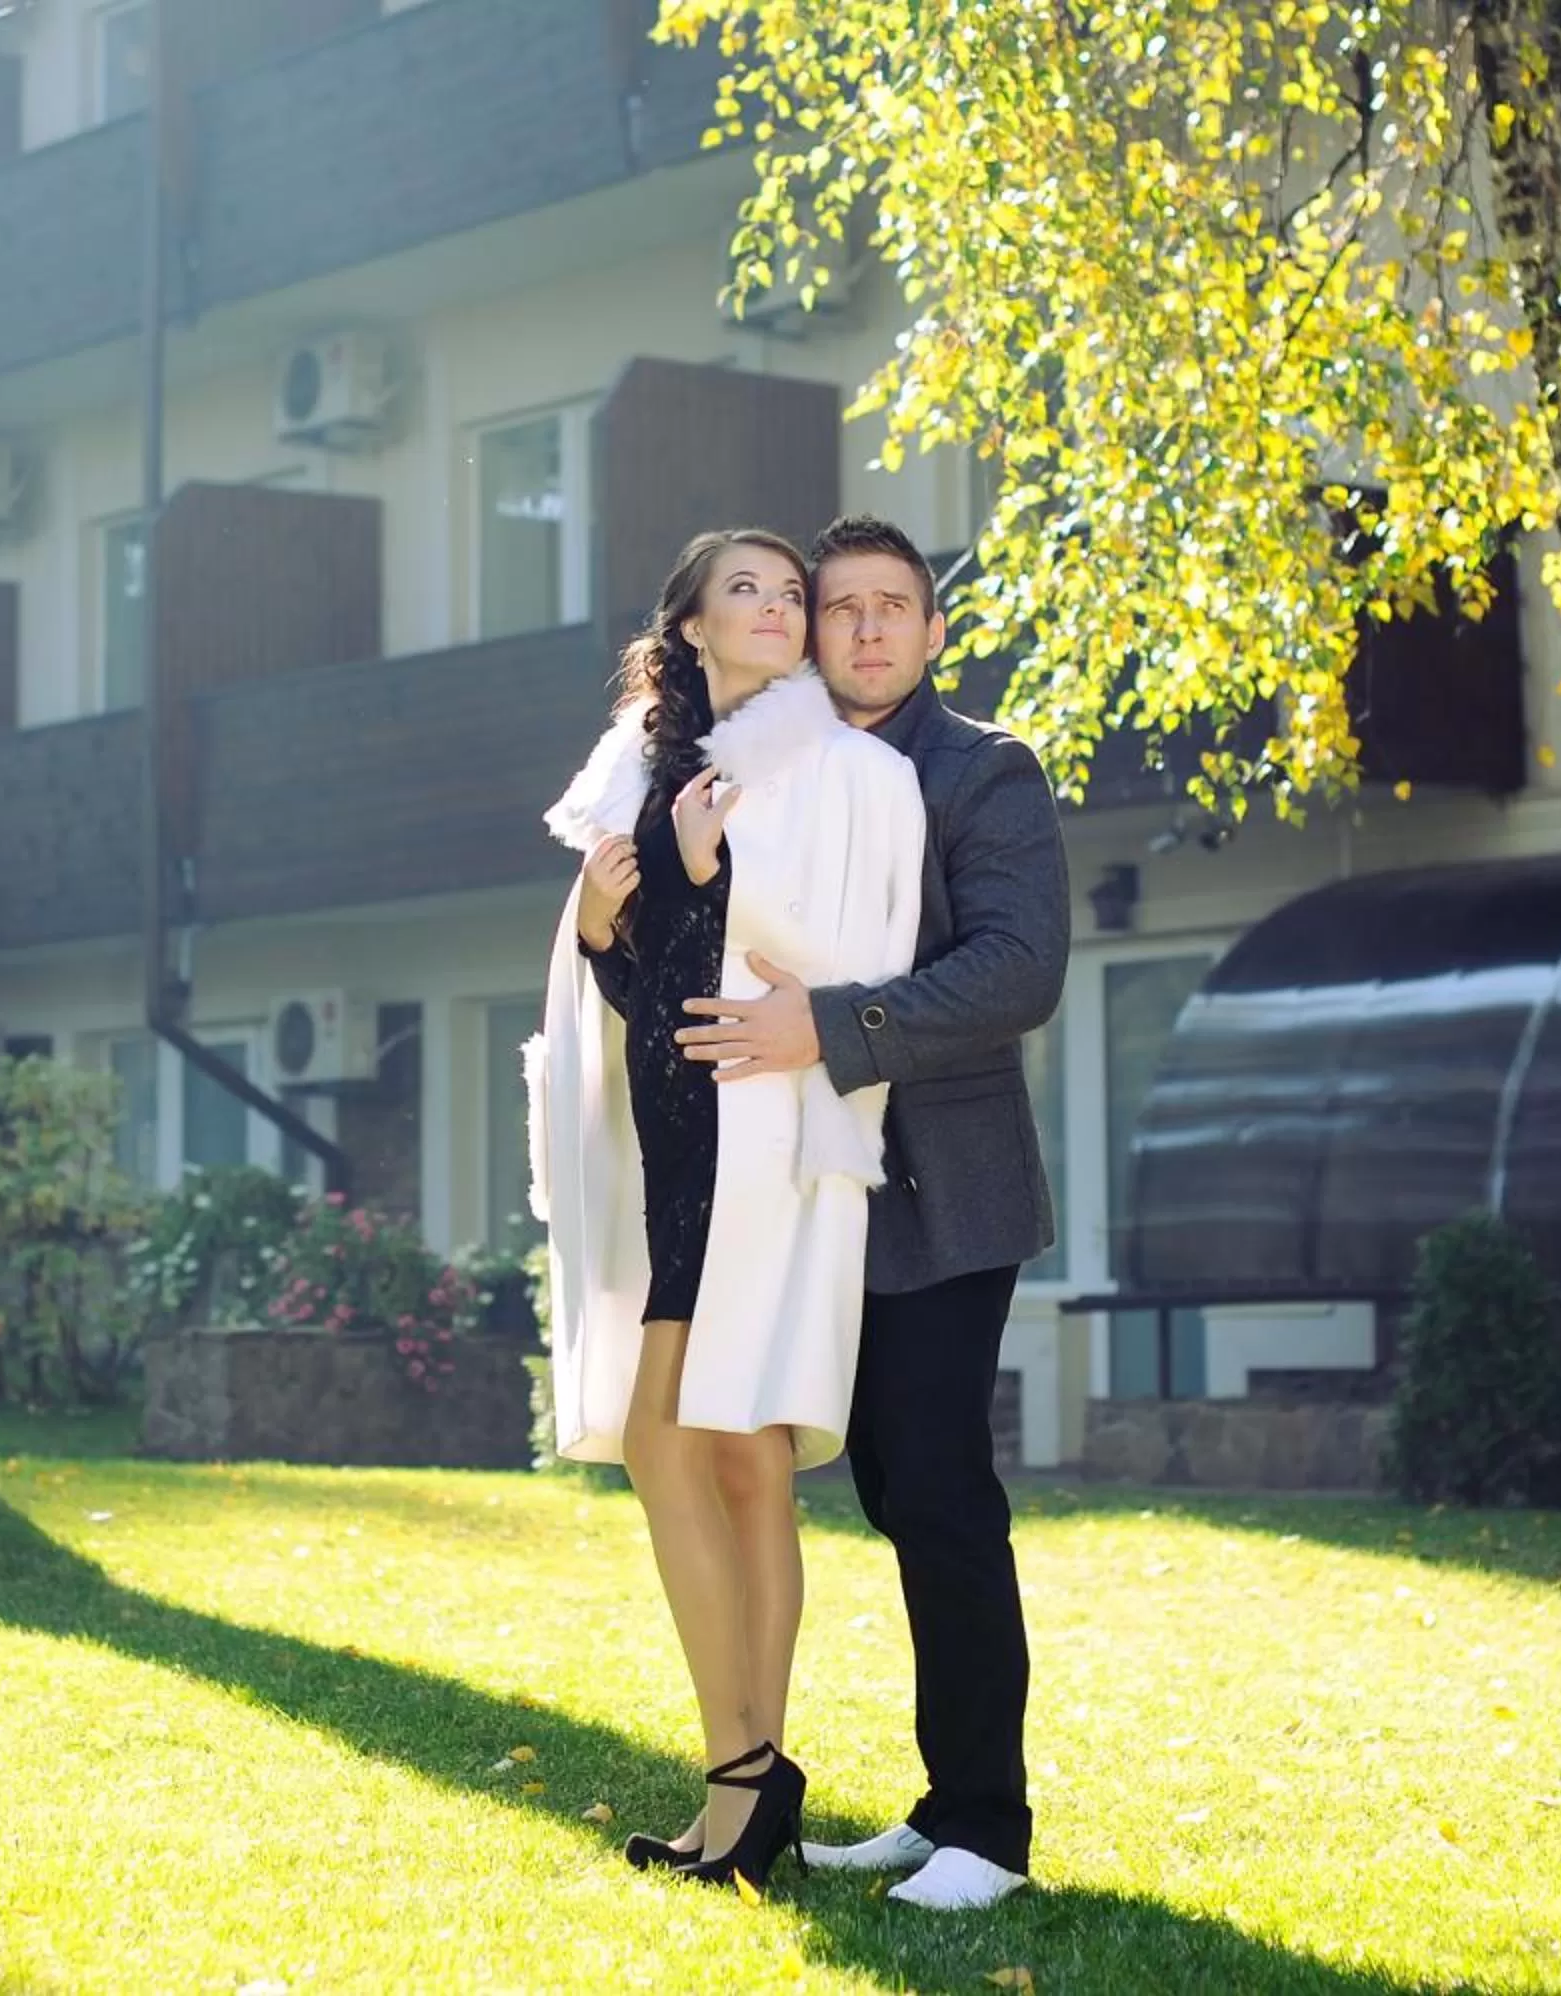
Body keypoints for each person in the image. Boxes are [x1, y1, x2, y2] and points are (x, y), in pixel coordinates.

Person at [673, 514, 1071, 1913]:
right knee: (893, 1489)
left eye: (891, 608)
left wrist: (824, 1029)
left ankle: (988, 1832)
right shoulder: (779, 762)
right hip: (808, 1191)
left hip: (942, 1195)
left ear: (933, 629)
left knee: (943, 1490)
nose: (864, 632)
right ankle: (939, 1801)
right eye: (839, 608)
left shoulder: (983, 773)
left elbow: (1019, 971)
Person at [528, 527, 926, 1892]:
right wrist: (597, 920)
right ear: (688, 624)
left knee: (685, 1439)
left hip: (778, 1143)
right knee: (736, 1453)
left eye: (788, 591)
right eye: (745, 589)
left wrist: (709, 879)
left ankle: (743, 1771)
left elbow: (873, 960)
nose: (778, 607)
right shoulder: (652, 776)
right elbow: (648, 1004)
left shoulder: (859, 773)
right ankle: (750, 1789)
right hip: (675, 1146)